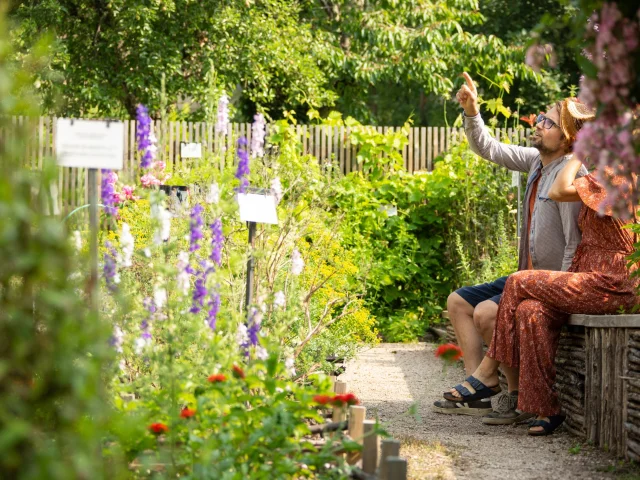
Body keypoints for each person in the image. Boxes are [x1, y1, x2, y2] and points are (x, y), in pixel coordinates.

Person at [444, 147, 640, 435]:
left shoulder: (617, 178)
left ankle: (487, 372)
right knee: (529, 310)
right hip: (591, 277)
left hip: (611, 282)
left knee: (518, 281)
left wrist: (578, 154)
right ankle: (548, 408)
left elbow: (559, 189)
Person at [433, 73, 586, 423]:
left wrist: (554, 291)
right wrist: (472, 112)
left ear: (567, 138)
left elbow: (572, 247)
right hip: (523, 274)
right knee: (458, 301)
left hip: (545, 281)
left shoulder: (569, 177)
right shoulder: (537, 161)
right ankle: (481, 391)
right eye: (540, 117)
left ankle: (511, 395)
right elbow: (488, 148)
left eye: (547, 122)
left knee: (487, 313)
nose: (538, 124)